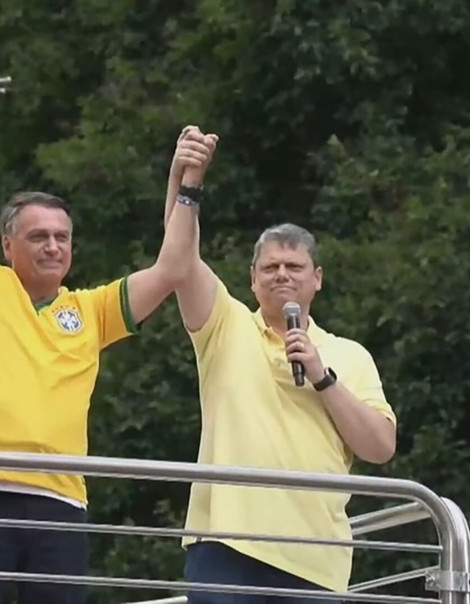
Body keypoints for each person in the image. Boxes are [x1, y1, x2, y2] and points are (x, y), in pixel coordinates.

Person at [0, 21, 216, 603]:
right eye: (38, 236)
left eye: (62, 237)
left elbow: (172, 269)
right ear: (7, 245)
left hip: (61, 504)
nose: (53, 246)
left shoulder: (90, 310)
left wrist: (184, 183)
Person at [165, 154, 397, 601]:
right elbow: (179, 258)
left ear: (318, 280)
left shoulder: (349, 355)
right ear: (252, 280)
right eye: (270, 268)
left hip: (317, 558)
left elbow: (380, 448)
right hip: (227, 549)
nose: (282, 275)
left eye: (294, 267)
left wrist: (322, 377)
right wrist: (186, 183)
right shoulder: (225, 327)